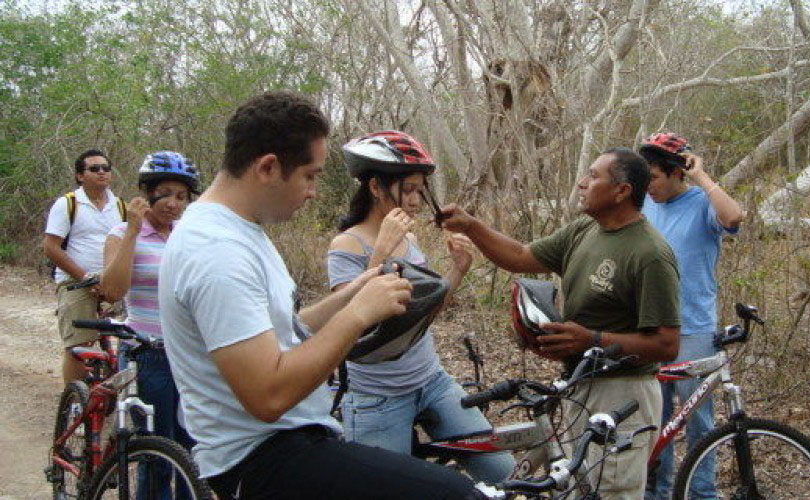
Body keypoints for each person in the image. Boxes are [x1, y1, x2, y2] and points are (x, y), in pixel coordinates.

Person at [158, 91, 484, 499]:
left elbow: (287, 331)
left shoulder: (240, 231)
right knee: (458, 494)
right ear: (269, 167)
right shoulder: (216, 250)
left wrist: (355, 293)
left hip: (293, 440)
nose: (313, 191)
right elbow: (268, 395)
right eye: (310, 175)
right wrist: (357, 315)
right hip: (264, 459)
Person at [441, 147, 681, 498]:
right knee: (573, 488)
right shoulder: (586, 229)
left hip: (623, 396)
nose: (582, 183)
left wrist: (592, 339)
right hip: (579, 387)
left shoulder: (650, 254)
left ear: (621, 191)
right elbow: (521, 256)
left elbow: (666, 344)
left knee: (610, 491)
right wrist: (471, 225)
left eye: (594, 176)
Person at [328, 130, 515, 481]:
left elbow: (423, 316)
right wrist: (380, 252)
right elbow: (353, 327)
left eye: (419, 190)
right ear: (375, 188)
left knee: (500, 470)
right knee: (385, 490)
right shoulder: (347, 245)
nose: (415, 200)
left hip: (431, 380)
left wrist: (456, 272)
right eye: (408, 189)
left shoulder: (410, 239)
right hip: (376, 397)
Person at [638, 132, 743, 500]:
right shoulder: (645, 204)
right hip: (649, 329)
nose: (647, 185)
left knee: (699, 423)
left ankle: (702, 494)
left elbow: (733, 216)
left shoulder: (702, 203)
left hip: (693, 331)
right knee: (656, 423)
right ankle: (658, 493)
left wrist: (702, 176)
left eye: (652, 176)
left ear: (676, 172)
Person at [101, 151, 200, 499]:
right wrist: (131, 231)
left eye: (182, 197)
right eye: (166, 193)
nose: (173, 204)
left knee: (192, 450)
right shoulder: (121, 233)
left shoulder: (187, 234)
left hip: (189, 355)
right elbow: (112, 289)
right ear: (147, 192)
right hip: (147, 353)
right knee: (157, 452)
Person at [43, 149, 125, 383]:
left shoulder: (120, 206)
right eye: (94, 168)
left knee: (131, 340)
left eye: (106, 168)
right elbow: (51, 247)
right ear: (80, 175)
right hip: (75, 282)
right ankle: (75, 403)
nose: (102, 172)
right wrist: (86, 277)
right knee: (78, 346)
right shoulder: (68, 203)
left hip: (112, 282)